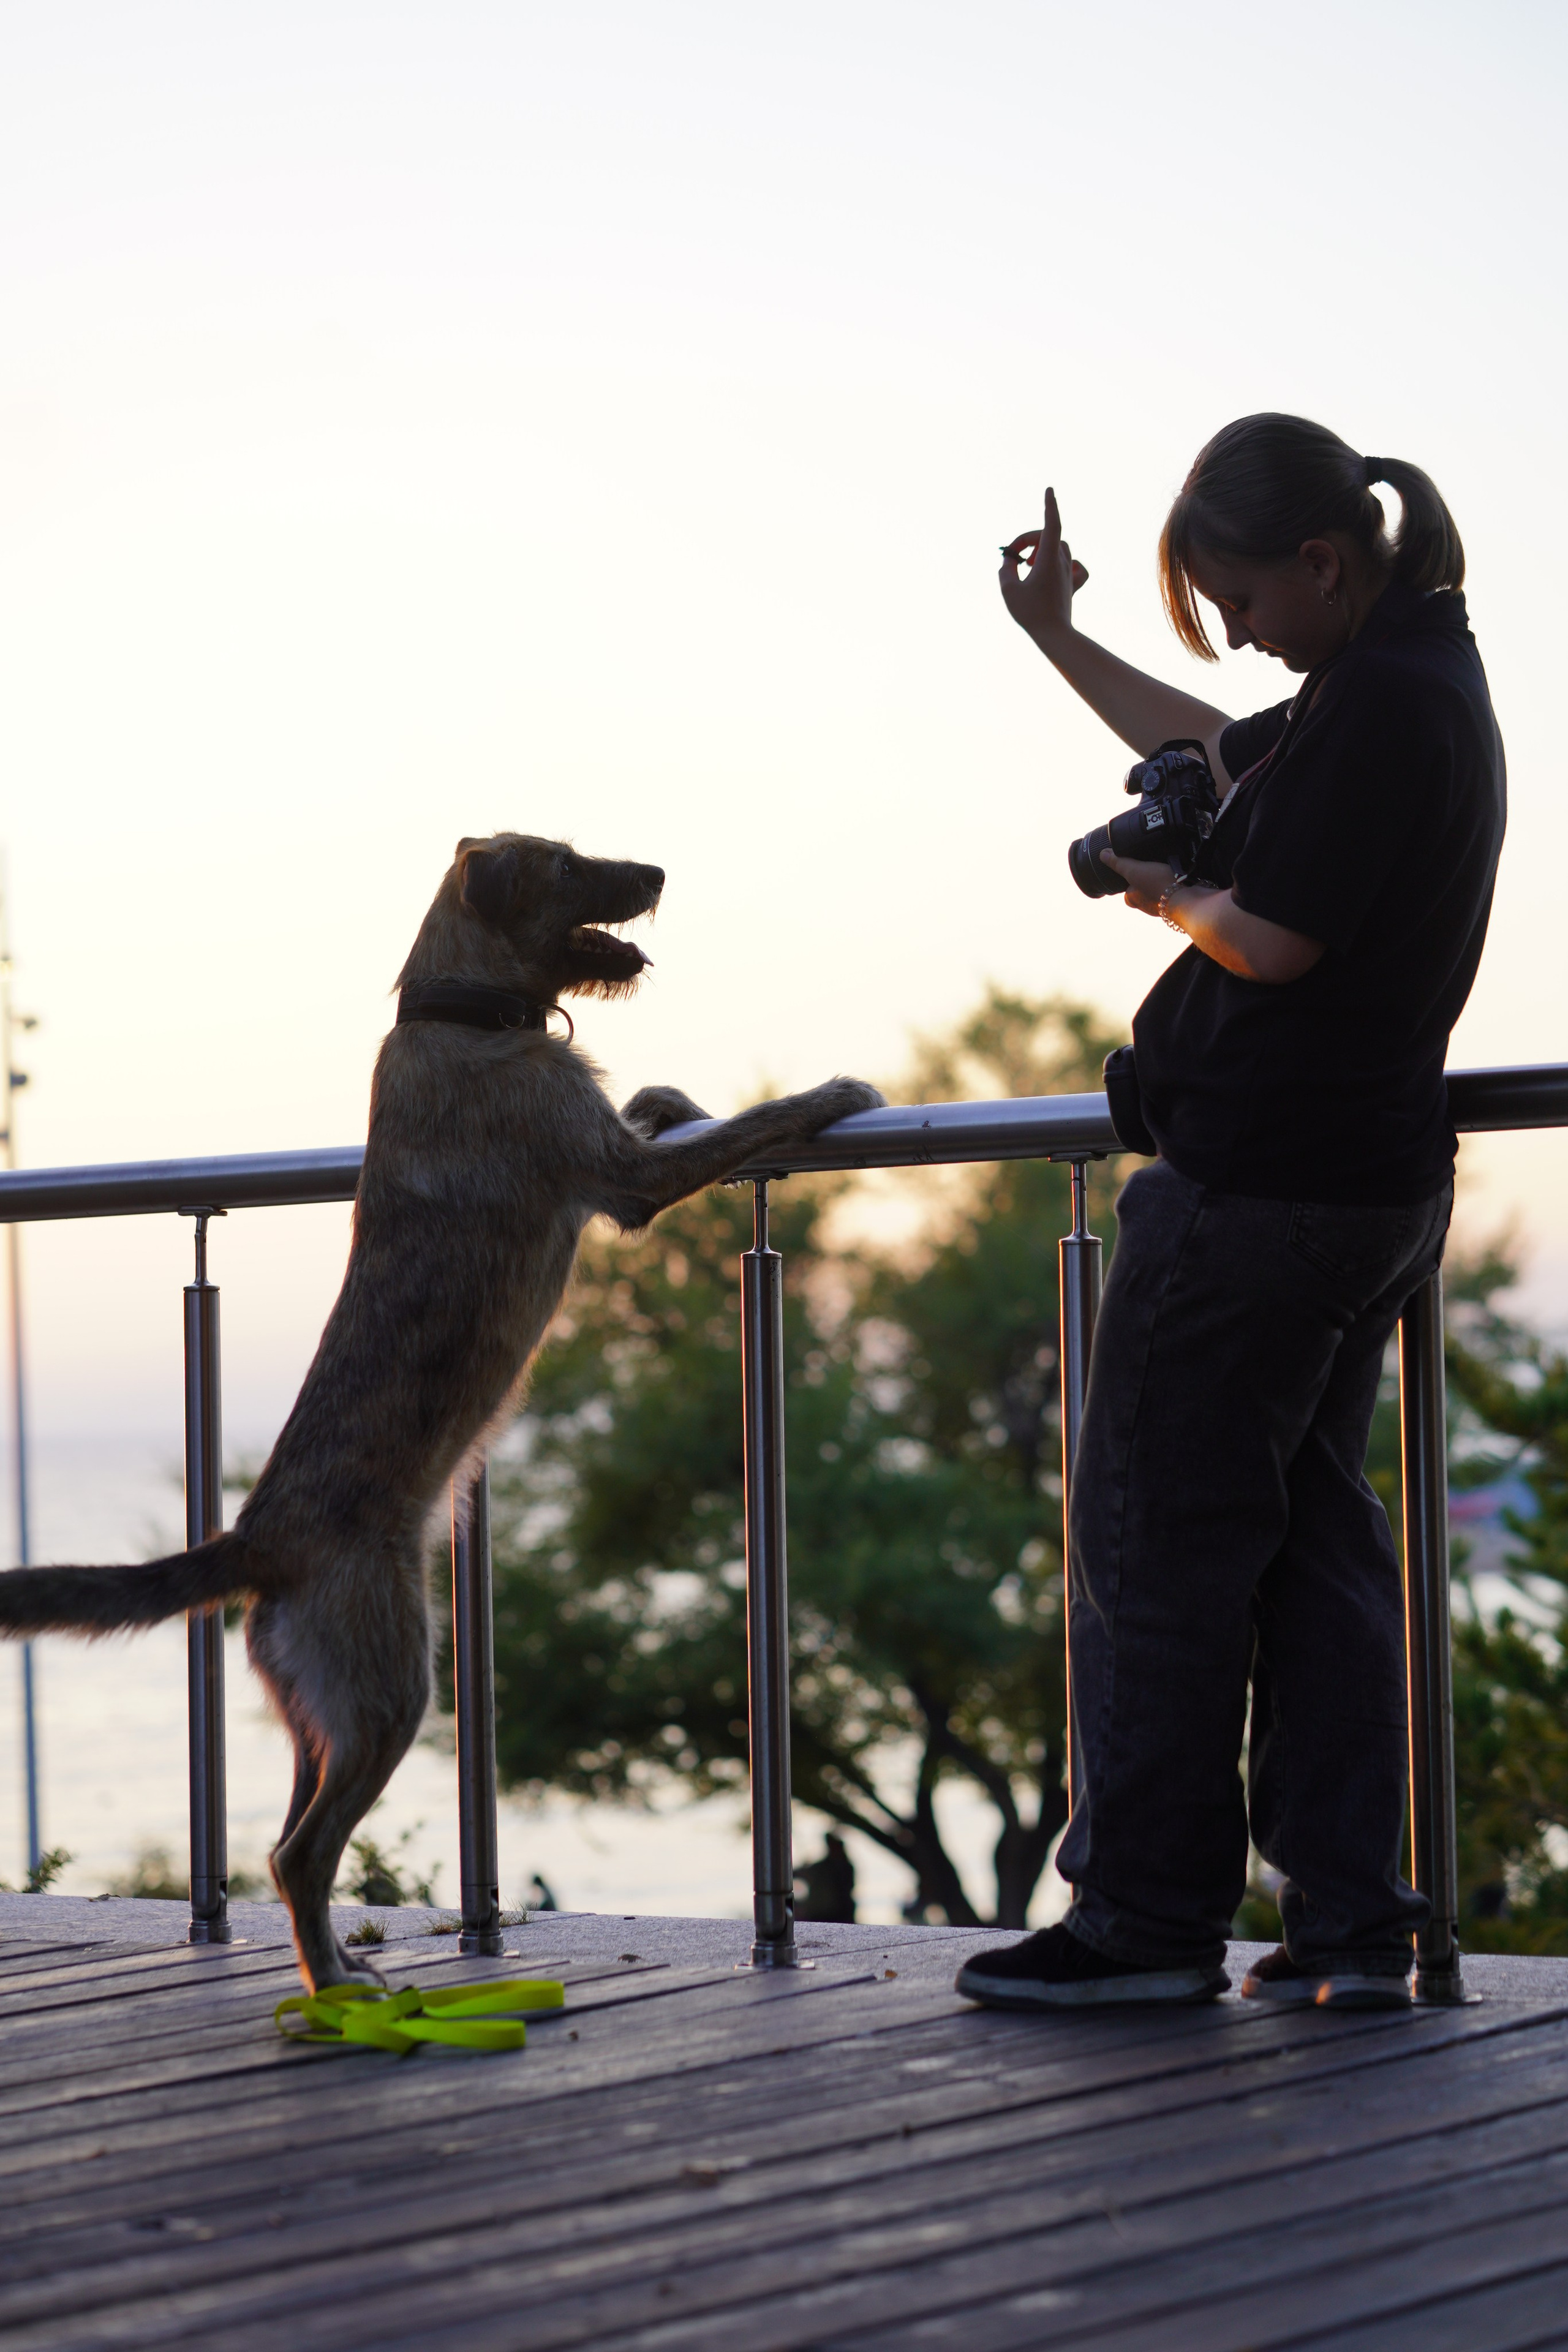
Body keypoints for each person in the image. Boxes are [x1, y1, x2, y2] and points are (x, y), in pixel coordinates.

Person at [956, 414, 1506, 2012]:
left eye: (1245, 600)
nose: (1241, 634)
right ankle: (1348, 1921)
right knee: (1316, 1558)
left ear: (1322, 563)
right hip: (1363, 1188)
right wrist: (1060, 638)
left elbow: (1274, 942)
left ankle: (1142, 1921)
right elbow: (1212, 745)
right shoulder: (1400, 677)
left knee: (1156, 1551)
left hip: (1259, 1196)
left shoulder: (1384, 701)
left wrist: (1164, 890)